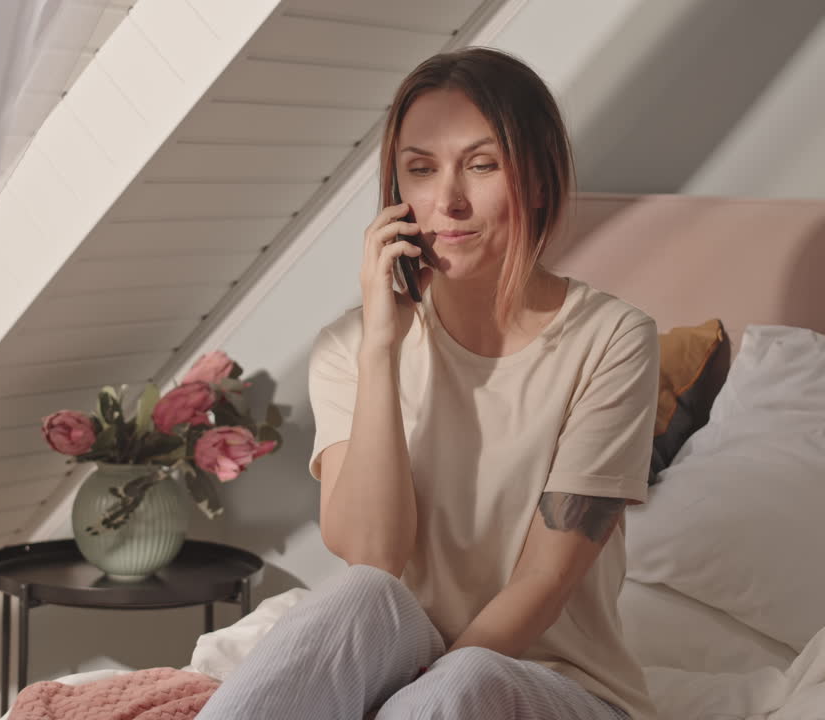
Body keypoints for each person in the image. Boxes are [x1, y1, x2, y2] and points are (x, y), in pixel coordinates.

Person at [196, 47, 659, 720]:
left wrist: (411, 697)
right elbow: (374, 557)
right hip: (404, 663)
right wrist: (381, 348)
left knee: (467, 676)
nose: (449, 201)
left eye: (482, 164)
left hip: (554, 688)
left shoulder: (611, 340)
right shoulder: (351, 348)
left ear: (536, 176)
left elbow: (545, 578)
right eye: (420, 169)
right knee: (361, 597)